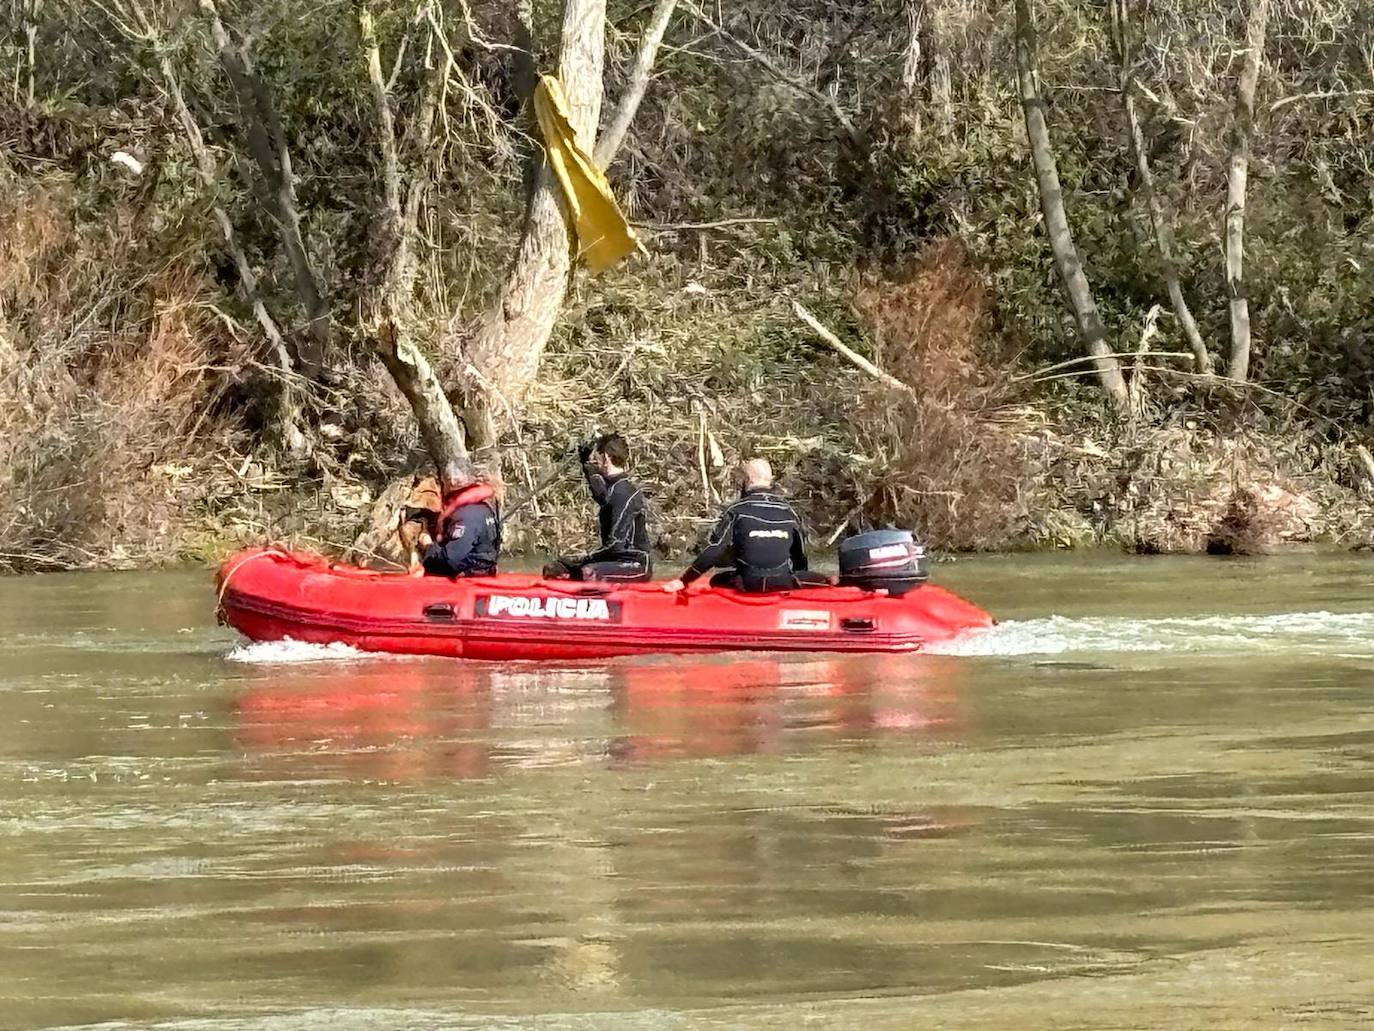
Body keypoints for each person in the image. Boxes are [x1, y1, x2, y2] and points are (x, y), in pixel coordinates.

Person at [663, 458, 827, 593]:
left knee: (717, 579)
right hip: (782, 583)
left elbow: (714, 550)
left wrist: (684, 580)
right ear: (771, 481)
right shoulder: (788, 511)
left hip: (749, 584)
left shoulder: (736, 510)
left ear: (746, 481)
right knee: (824, 580)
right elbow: (800, 556)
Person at [543, 432, 652, 583]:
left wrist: (585, 558)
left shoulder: (624, 492)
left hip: (634, 564)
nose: (596, 460)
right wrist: (586, 463)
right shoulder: (613, 487)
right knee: (555, 568)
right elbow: (601, 495)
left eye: (597, 456)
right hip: (613, 561)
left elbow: (615, 545)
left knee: (588, 572)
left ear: (606, 457)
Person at [419, 457, 501, 578]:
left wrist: (427, 546)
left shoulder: (464, 516)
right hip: (483, 573)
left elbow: (449, 562)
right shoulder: (485, 508)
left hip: (466, 579)